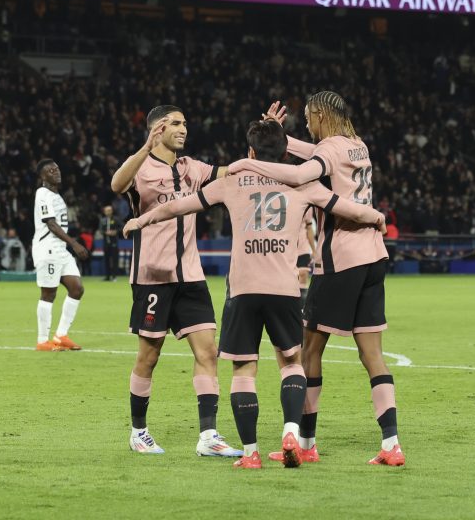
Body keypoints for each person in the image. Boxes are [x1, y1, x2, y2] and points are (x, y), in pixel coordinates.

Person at [122, 120, 386, 469]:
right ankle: (291, 431)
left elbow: (182, 205)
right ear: (285, 150)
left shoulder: (232, 182)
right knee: (292, 364)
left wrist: (142, 220)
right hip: (286, 290)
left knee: (244, 369)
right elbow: (344, 206)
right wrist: (376, 216)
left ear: (251, 152)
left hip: (244, 290)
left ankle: (250, 453)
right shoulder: (303, 183)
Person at [228, 95, 404, 467]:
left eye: (308, 118)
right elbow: (316, 155)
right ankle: (392, 444)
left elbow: (297, 174)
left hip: (340, 259)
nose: (307, 124)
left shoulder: (329, 149)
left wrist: (247, 160)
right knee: (373, 354)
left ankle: (306, 442)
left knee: (309, 351)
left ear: (321, 115)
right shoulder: (357, 146)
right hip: (374, 256)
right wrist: (276, 137)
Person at [110, 105, 240, 458]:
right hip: (152, 276)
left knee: (207, 352)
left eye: (186, 123)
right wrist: (144, 147)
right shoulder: (141, 167)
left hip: (191, 276)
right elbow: (117, 184)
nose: (184, 129)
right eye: (177, 124)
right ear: (159, 127)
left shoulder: (191, 167)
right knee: (149, 357)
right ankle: (138, 432)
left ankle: (209, 436)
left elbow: (227, 171)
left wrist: (264, 151)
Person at [32, 159, 89, 352]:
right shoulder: (43, 194)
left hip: (60, 250)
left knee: (77, 288)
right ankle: (42, 341)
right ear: (42, 177)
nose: (56, 172)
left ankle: (60, 335)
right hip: (47, 248)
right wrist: (74, 243)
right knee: (49, 293)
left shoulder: (57, 195)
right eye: (50, 171)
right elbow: (51, 224)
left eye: (57, 169)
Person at [296, 208, 316, 308]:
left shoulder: (308, 207)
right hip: (287, 249)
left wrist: (314, 250)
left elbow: (309, 228)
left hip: (303, 249)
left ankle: (301, 312)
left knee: (302, 276)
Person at [99, 205, 120, 281]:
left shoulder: (116, 219)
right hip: (106, 243)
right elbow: (100, 230)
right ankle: (107, 276)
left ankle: (114, 276)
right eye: (107, 210)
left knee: (114, 259)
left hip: (114, 242)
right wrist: (105, 233)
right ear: (104, 212)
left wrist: (115, 232)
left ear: (112, 211)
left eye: (110, 210)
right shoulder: (102, 220)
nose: (108, 212)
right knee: (106, 260)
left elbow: (122, 227)